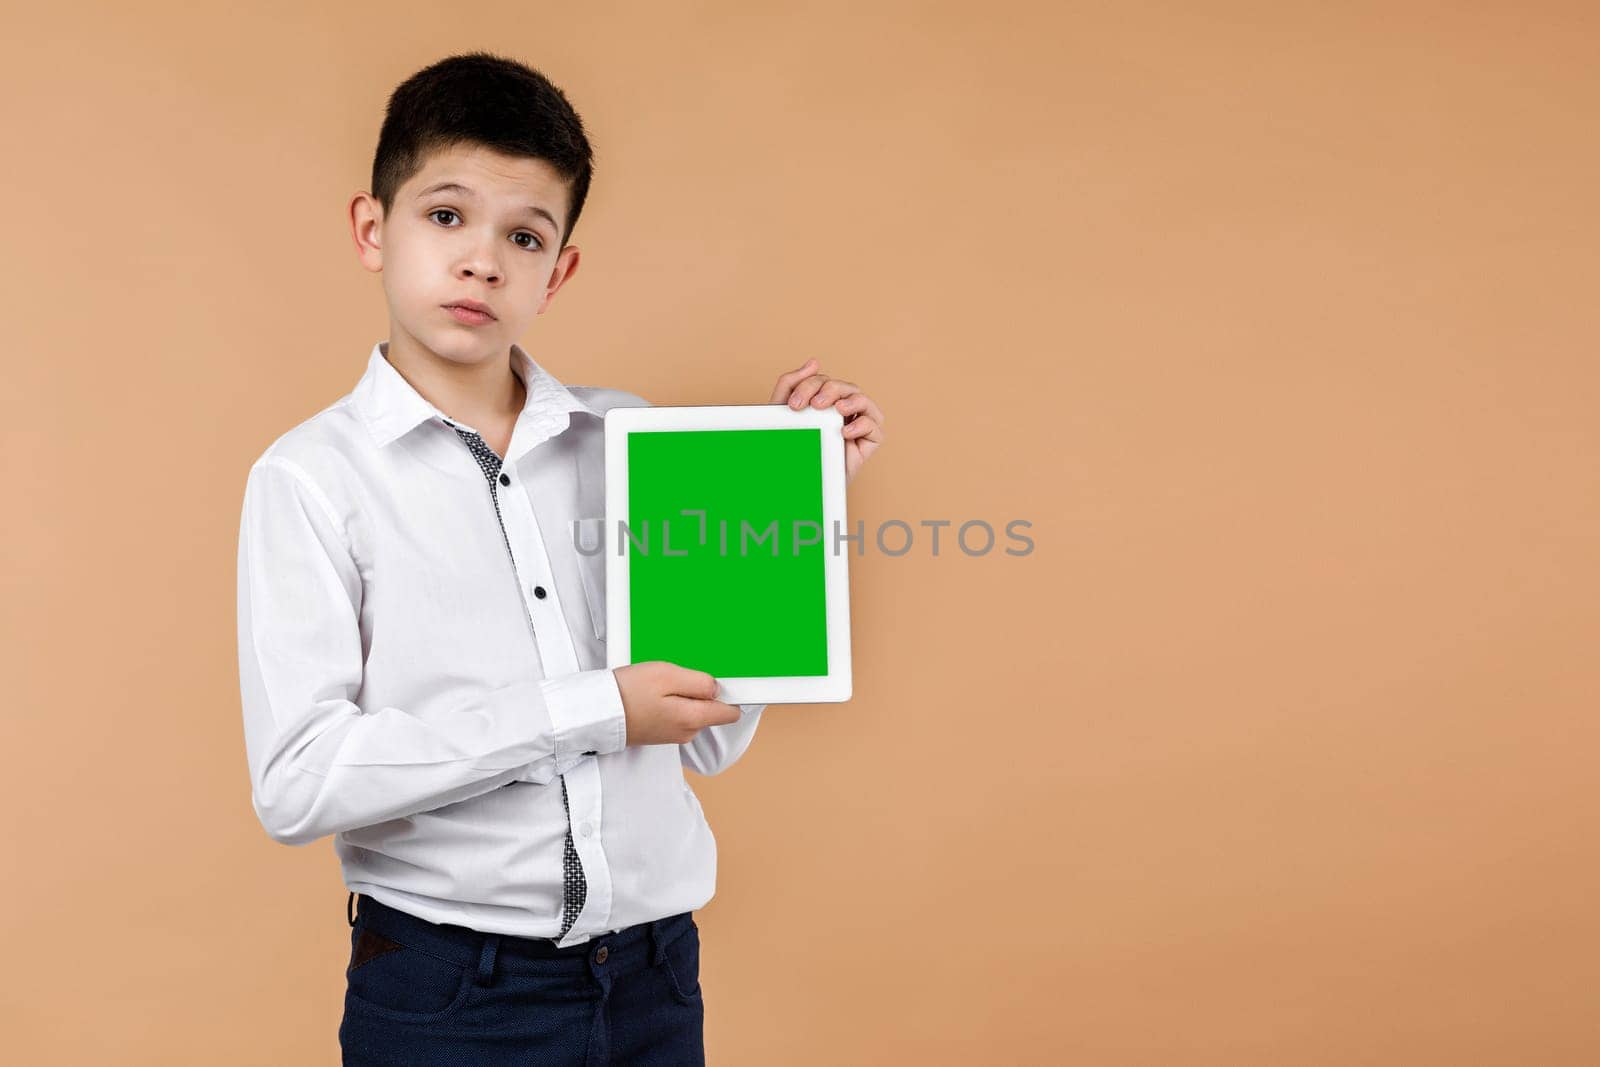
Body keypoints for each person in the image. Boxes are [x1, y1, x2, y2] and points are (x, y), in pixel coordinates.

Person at [234, 51, 885, 1065]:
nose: (482, 260)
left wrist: (790, 498)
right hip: (448, 991)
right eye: (445, 216)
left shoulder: (632, 444)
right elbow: (299, 779)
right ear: (373, 228)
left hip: (654, 977)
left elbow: (708, 733)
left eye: (524, 235)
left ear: (558, 269)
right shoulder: (311, 477)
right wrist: (591, 707)